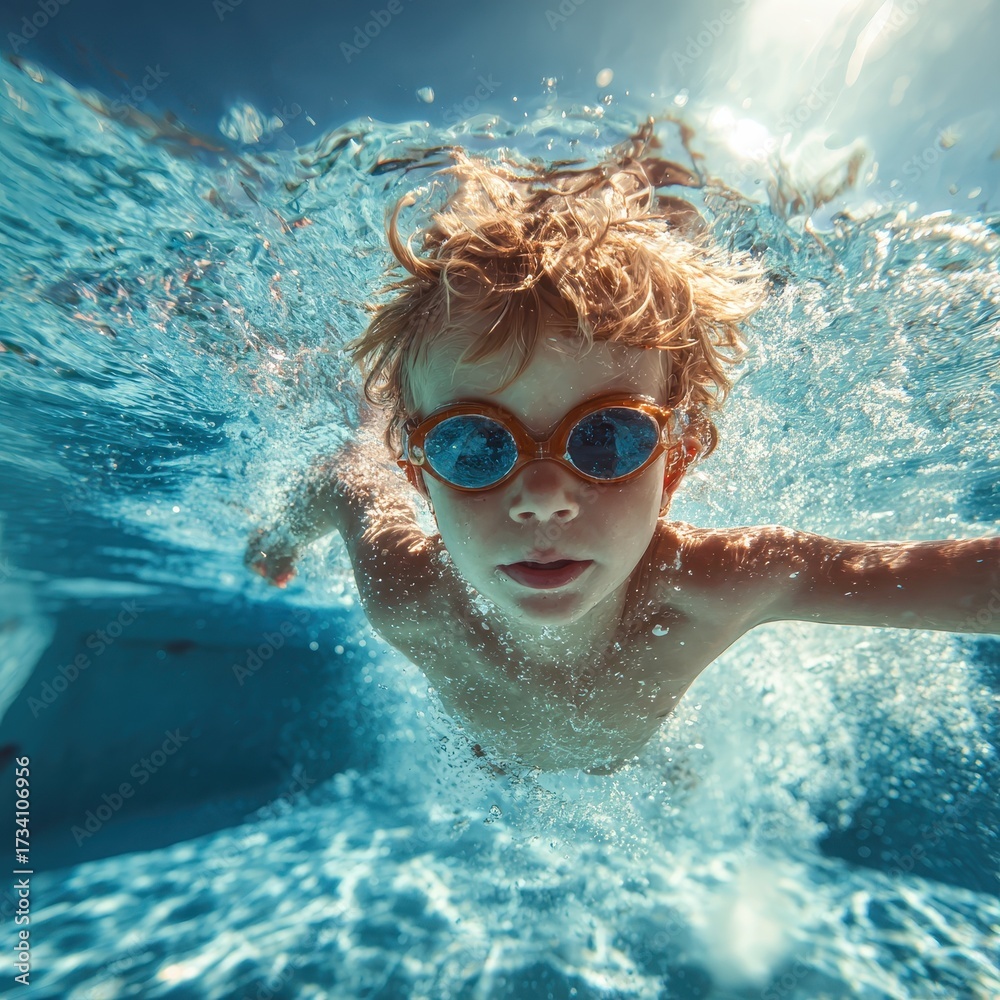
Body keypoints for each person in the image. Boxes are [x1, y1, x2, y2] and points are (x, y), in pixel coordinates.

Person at [245, 133, 1000, 774]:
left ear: (674, 465)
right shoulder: (408, 595)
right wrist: (276, 537)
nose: (544, 496)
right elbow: (345, 486)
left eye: (606, 438)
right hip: (491, 759)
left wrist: (280, 537)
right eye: (474, 445)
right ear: (419, 474)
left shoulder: (719, 586)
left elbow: (963, 587)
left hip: (639, 759)